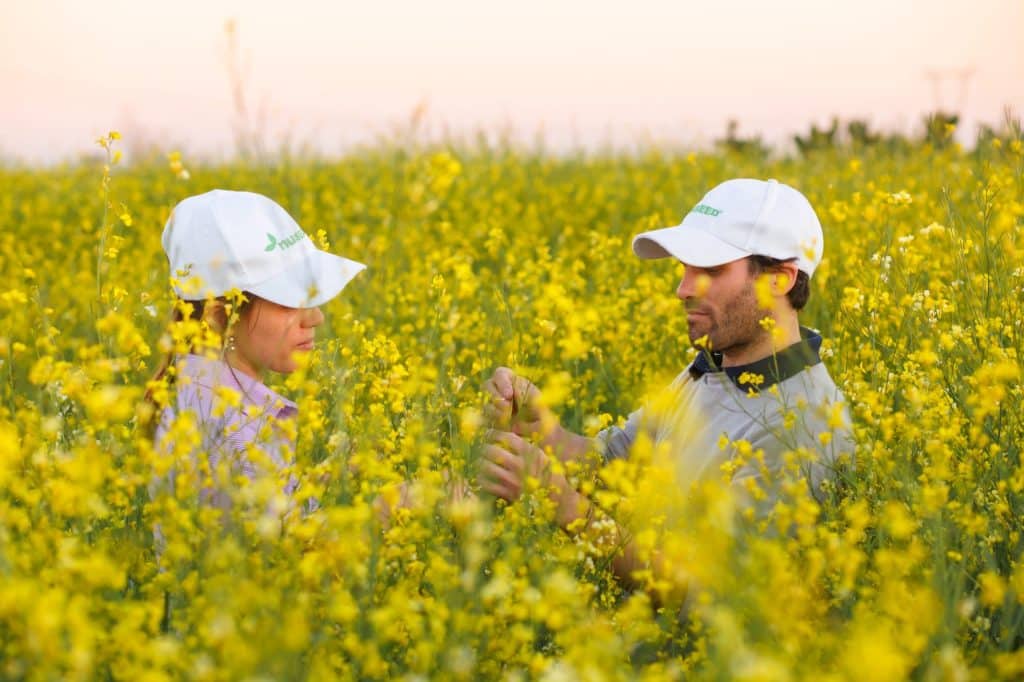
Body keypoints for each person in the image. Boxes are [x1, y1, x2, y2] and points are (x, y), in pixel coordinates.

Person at [479, 178, 855, 590]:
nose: (683, 289)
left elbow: (714, 594)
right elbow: (617, 461)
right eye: (684, 267)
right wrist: (544, 432)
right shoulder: (711, 368)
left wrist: (565, 506)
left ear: (779, 280)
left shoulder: (803, 427)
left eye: (709, 270)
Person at [148, 189, 366, 508]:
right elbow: (277, 551)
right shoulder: (231, 431)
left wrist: (334, 479)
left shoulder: (197, 398)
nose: (315, 317)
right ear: (218, 317)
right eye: (290, 302)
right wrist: (386, 510)